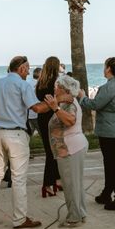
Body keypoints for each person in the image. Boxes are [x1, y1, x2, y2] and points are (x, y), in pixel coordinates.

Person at [0, 56, 61, 229]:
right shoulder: (23, 85)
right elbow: (37, 108)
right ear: (21, 68)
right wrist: (55, 103)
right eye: (27, 68)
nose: (29, 71)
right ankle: (19, 218)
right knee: (18, 178)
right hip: (16, 134)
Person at [78, 57, 115, 211]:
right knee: (110, 165)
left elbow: (95, 104)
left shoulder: (109, 87)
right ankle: (106, 193)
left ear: (108, 69)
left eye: (104, 66)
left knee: (112, 167)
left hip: (109, 132)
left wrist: (82, 97)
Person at [44, 75, 88, 227]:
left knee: (70, 185)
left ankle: (74, 217)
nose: (54, 89)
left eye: (56, 87)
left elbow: (70, 121)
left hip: (71, 149)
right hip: (69, 149)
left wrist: (55, 108)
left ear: (64, 89)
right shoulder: (64, 103)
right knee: (75, 184)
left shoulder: (69, 104)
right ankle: (80, 213)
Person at [35, 57, 63, 197]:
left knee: (51, 150)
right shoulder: (55, 82)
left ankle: (56, 180)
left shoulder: (40, 82)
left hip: (42, 118)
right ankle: (47, 183)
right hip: (53, 116)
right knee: (52, 151)